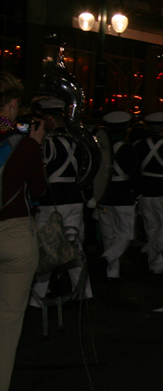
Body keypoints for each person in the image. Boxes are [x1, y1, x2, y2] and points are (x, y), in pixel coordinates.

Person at [0, 72, 47, 391]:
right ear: (13, 104)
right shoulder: (22, 142)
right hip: (14, 235)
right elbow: (40, 189)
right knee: (7, 326)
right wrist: (33, 143)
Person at [29, 98, 93, 306]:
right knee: (72, 245)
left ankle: (37, 297)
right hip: (74, 197)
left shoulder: (48, 142)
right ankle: (83, 291)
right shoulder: (77, 140)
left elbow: (40, 171)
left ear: (49, 118)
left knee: (45, 247)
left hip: (52, 200)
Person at [96, 111, 140, 281]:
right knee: (126, 234)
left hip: (104, 194)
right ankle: (106, 259)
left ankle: (112, 272)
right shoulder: (127, 148)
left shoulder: (100, 148)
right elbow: (134, 173)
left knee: (109, 235)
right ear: (125, 130)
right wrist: (136, 193)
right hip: (122, 195)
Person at [134, 112, 163, 275]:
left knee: (151, 227)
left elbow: (135, 169)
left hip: (146, 190)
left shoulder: (138, 145)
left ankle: (156, 265)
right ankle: (149, 253)